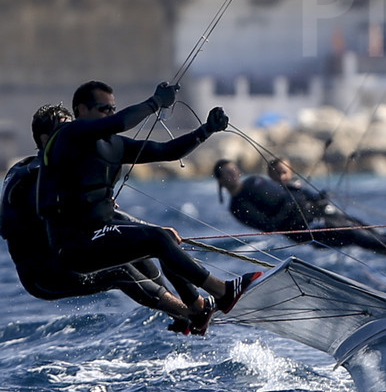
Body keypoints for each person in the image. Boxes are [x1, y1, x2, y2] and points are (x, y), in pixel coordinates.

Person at [39, 80, 261, 334]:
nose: (110, 114)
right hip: (75, 244)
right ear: (81, 110)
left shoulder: (113, 145)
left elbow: (167, 151)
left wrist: (206, 130)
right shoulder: (68, 136)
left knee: (163, 238)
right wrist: (155, 102)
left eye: (112, 109)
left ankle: (197, 310)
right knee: (156, 239)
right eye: (103, 109)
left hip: (98, 233)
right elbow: (119, 122)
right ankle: (222, 292)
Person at [0, 103, 201, 328]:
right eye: (64, 131)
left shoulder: (51, 169)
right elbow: (38, 211)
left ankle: (187, 309)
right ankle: (189, 314)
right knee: (119, 271)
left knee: (142, 242)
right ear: (45, 139)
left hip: (68, 254)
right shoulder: (31, 176)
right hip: (43, 274)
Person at [213, 158, 386, 263]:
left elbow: (286, 189)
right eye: (227, 173)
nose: (233, 174)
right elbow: (270, 226)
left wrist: (313, 196)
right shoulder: (238, 206)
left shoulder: (254, 180)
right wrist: (292, 205)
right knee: (351, 233)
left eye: (233, 170)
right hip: (303, 228)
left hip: (316, 211)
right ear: (221, 180)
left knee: (359, 225)